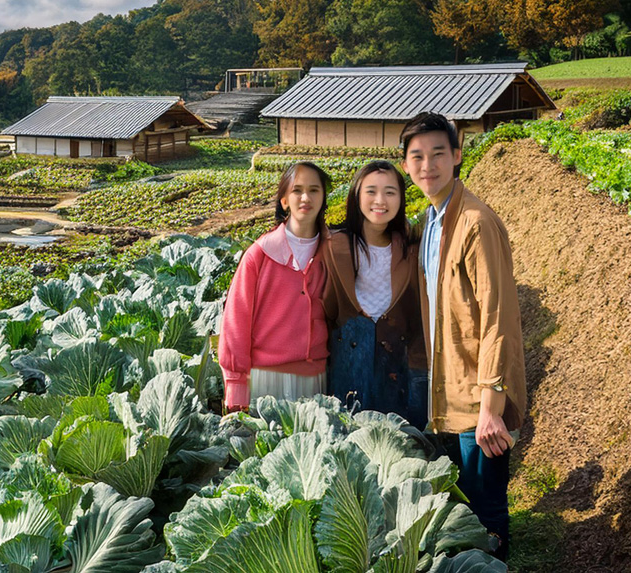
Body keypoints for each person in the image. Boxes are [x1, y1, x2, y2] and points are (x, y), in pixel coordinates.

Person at [401, 111, 526, 562]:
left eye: (438, 154)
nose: (427, 165)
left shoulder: (475, 222)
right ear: (406, 165)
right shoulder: (431, 223)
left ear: (457, 156)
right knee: (467, 510)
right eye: (417, 156)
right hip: (450, 391)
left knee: (487, 509)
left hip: (479, 400)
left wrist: (492, 405)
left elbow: (498, 318)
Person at [321, 160, 427, 427]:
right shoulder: (334, 245)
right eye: (371, 191)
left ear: (401, 199)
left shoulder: (412, 247)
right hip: (348, 360)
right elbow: (325, 307)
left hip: (397, 363)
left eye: (390, 192)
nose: (380, 200)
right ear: (356, 195)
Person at [219, 161, 332, 411]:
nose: (306, 197)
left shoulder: (334, 252)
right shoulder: (258, 255)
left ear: (324, 199)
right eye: (297, 190)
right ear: (284, 201)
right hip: (265, 377)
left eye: (314, 190)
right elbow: (235, 324)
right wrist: (236, 385)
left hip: (314, 377)